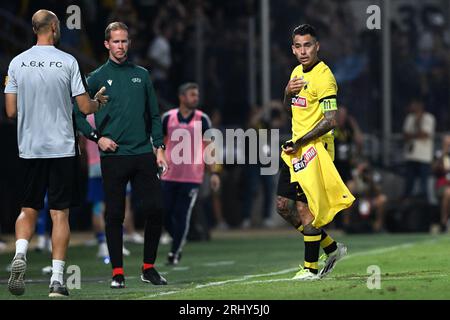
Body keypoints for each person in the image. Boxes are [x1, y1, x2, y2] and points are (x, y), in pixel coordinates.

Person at [4, 9, 106, 297]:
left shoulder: (16, 62)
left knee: (28, 208)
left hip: (30, 147)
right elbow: (85, 109)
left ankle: (20, 253)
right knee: (60, 213)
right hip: (61, 147)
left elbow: (10, 111)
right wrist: (97, 102)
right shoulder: (67, 61)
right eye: (58, 24)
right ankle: (57, 281)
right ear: (51, 27)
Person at [75, 22, 168, 289]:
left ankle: (148, 268)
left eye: (125, 41)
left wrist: (159, 147)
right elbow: (77, 112)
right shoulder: (96, 77)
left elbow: (153, 115)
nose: (121, 46)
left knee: (155, 209)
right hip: (114, 157)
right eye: (116, 42)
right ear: (106, 44)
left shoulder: (142, 75)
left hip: (142, 154)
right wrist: (97, 138)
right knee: (114, 214)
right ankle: (117, 272)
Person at [276, 24, 354, 281]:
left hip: (314, 149)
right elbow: (291, 109)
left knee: (303, 207)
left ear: (317, 46)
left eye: (307, 45)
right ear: (293, 49)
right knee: (282, 206)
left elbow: (331, 120)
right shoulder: (297, 72)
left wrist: (302, 141)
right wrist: (287, 92)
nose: (303, 51)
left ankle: (310, 268)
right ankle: (331, 248)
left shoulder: (325, 77)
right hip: (296, 148)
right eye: (298, 46)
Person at [161, 82, 220, 265]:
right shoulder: (168, 117)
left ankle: (175, 251)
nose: (196, 98)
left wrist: (214, 173)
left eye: (196, 95)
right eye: (192, 95)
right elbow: (160, 143)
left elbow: (210, 147)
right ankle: (178, 237)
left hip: (192, 176)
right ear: (182, 97)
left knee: (182, 213)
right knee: (164, 213)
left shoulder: (202, 119)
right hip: (169, 174)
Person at [402, 99, 436, 200]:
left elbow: (425, 134)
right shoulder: (409, 118)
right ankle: (407, 199)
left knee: (423, 182)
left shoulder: (429, 118)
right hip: (411, 155)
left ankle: (424, 201)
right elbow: (405, 135)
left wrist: (418, 123)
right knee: (409, 181)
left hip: (424, 157)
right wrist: (416, 135)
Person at [432, 134, 450, 233]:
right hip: (442, 185)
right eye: (446, 142)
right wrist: (443, 153)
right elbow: (434, 169)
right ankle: (444, 221)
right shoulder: (438, 154)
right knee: (448, 192)